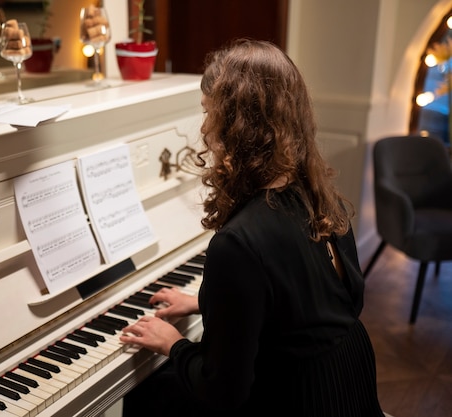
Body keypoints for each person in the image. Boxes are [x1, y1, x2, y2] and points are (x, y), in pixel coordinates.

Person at [119, 39, 385, 417]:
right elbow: (319, 301)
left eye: (209, 112)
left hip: (298, 399)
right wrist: (205, 303)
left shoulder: (238, 243)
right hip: (348, 379)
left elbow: (224, 391)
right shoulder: (320, 197)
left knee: (150, 395)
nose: (205, 128)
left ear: (234, 126)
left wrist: (173, 343)